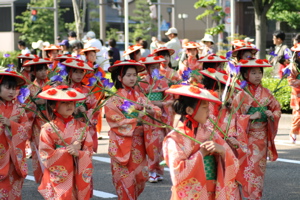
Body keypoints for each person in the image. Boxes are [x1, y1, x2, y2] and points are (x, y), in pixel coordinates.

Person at [163, 84, 239, 199]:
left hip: (214, 189)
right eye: (204, 108)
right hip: (192, 192)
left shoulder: (210, 132)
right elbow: (177, 174)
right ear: (189, 110)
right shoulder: (174, 138)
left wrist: (223, 151)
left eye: (209, 108)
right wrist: (201, 154)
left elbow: (234, 164)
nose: (209, 112)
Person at [104, 60, 161, 199]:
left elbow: (156, 109)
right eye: (128, 75)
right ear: (119, 78)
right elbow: (115, 121)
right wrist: (137, 119)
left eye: (134, 75)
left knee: (140, 178)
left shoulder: (139, 97)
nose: (132, 78)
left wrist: (151, 111)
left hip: (139, 144)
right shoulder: (113, 100)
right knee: (125, 181)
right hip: (121, 145)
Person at [232, 58, 281, 199]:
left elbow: (277, 108)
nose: (258, 75)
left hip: (262, 138)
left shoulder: (267, 93)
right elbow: (233, 117)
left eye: (260, 72)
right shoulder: (240, 94)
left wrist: (272, 114)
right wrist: (249, 117)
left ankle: (256, 196)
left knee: (258, 170)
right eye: (253, 73)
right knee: (246, 168)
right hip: (246, 137)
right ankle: (246, 194)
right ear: (245, 74)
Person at [37, 86, 94, 199]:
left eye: (72, 102)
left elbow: (89, 150)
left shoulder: (82, 127)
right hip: (58, 175)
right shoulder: (47, 128)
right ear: (54, 106)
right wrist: (67, 150)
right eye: (64, 103)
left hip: (77, 172)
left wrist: (79, 153)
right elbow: (45, 154)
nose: (69, 106)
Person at [138, 55, 174, 183]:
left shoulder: (163, 81)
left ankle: (157, 170)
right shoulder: (141, 82)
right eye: (152, 67)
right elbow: (139, 99)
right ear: (147, 68)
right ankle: (151, 170)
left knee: (157, 145)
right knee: (149, 145)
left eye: (157, 67)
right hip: (147, 117)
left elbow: (169, 99)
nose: (155, 69)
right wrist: (148, 105)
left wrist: (161, 104)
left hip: (159, 117)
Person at [0, 70, 30, 199]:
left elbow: (26, 129)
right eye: (7, 88)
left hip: (14, 156)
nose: (12, 92)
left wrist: (11, 125)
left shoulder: (19, 109)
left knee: (14, 188)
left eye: (14, 88)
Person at [24, 57, 53, 183]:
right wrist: (35, 103)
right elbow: (24, 108)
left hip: (52, 123)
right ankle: (43, 180)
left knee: (53, 151)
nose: (42, 72)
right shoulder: (29, 88)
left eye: (44, 69)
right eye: (39, 70)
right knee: (40, 152)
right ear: (33, 72)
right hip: (37, 125)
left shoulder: (52, 85)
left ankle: (53, 179)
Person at [62, 58, 99, 152]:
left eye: (81, 72)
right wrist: (70, 110)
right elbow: (55, 107)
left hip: (83, 126)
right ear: (69, 72)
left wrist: (85, 111)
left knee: (84, 154)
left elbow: (95, 108)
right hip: (66, 126)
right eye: (76, 72)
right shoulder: (63, 89)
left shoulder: (87, 91)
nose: (79, 75)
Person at [287, 43, 300, 143]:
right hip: (297, 94)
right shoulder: (292, 66)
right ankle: (293, 133)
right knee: (298, 115)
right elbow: (290, 81)